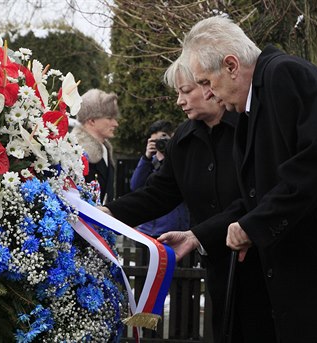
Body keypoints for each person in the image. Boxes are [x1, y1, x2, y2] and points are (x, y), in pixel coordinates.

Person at [177, 15, 317, 343]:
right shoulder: (257, 103)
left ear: (231, 65)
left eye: (206, 82)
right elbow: (261, 196)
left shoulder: (284, 76)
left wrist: (255, 226)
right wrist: (199, 236)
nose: (209, 94)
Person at [101, 57, 275, 342]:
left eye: (186, 91)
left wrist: (199, 235)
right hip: (218, 264)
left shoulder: (249, 129)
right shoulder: (183, 138)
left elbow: (252, 197)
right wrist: (109, 212)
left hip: (262, 262)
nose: (180, 101)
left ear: (210, 87)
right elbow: (159, 193)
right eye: (178, 93)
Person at [130, 119, 190, 237]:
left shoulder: (180, 162)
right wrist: (146, 157)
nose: (160, 144)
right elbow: (135, 186)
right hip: (152, 233)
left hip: (180, 231)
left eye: (164, 140)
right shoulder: (149, 164)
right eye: (156, 141)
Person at [72, 88, 119, 204]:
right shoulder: (75, 151)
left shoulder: (104, 150)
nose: (116, 124)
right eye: (109, 118)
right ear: (91, 121)